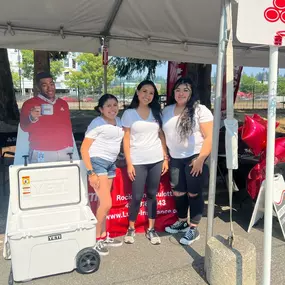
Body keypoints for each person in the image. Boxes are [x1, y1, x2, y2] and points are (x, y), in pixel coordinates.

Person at [163, 77, 213, 246]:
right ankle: (182, 221)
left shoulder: (200, 110)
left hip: (195, 158)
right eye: (178, 90)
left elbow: (209, 137)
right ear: (173, 92)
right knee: (178, 192)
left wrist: (201, 159)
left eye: (185, 90)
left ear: (191, 93)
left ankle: (194, 227)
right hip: (176, 158)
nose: (181, 93)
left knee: (194, 193)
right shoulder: (167, 110)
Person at [121, 80, 169, 245]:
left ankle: (151, 229)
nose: (147, 95)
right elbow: (126, 139)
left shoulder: (156, 112)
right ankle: (131, 228)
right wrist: (129, 163)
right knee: (136, 196)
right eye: (144, 91)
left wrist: (165, 157)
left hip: (156, 159)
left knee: (152, 195)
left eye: (151, 93)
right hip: (138, 161)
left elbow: (161, 135)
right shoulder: (129, 114)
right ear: (137, 91)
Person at [81, 94, 124, 256]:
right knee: (106, 203)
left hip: (111, 164)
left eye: (115, 105)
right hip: (97, 162)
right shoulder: (96, 123)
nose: (112, 109)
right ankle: (95, 240)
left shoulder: (119, 121)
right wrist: (91, 172)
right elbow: (84, 149)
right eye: (108, 106)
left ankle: (103, 236)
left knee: (103, 204)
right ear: (101, 109)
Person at [20, 72, 73, 163]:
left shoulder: (63, 104)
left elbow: (68, 127)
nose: (49, 88)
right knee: (41, 177)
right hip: (41, 151)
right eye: (44, 85)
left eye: (51, 84)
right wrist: (31, 118)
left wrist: (70, 146)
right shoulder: (29, 104)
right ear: (38, 87)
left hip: (65, 152)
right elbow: (24, 127)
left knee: (64, 177)